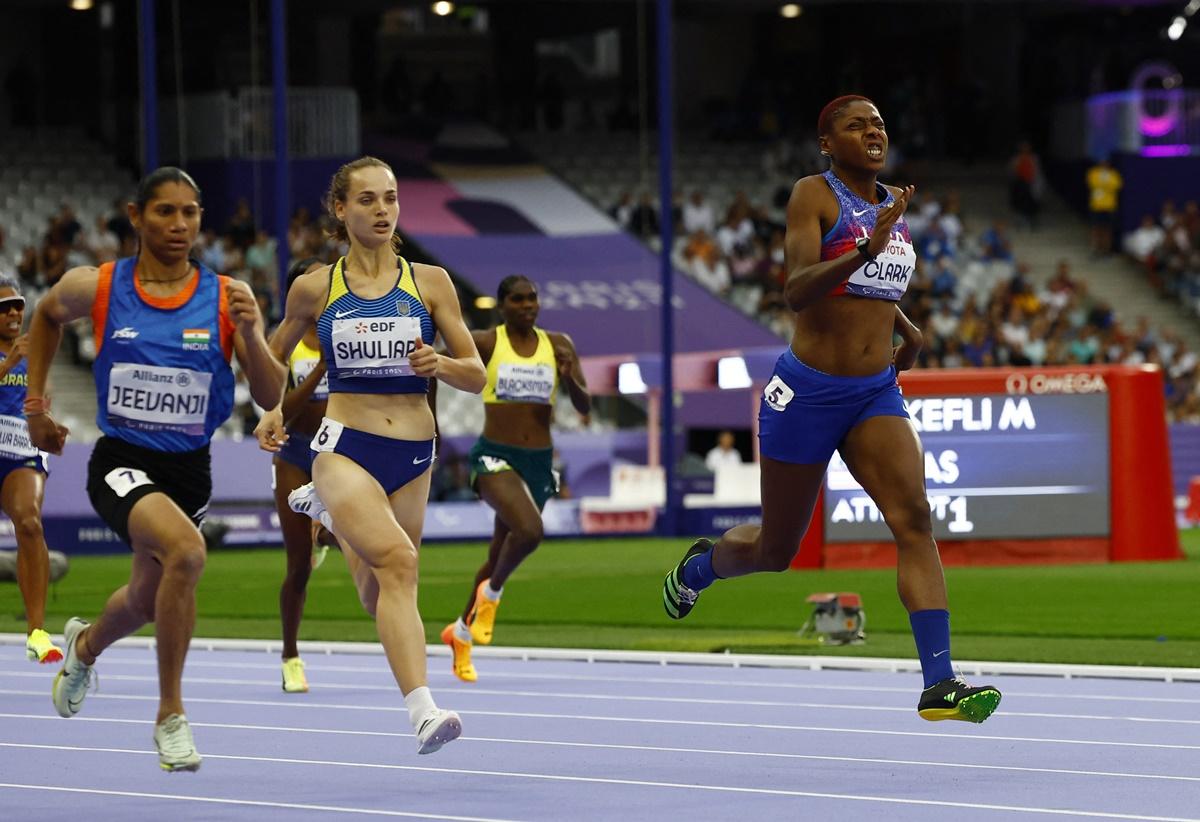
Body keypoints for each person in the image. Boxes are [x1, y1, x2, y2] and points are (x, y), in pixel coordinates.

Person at [660, 96, 1002, 724]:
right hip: (808, 391)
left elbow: (870, 286)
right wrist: (868, 247)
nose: (873, 131)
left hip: (874, 391)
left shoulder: (889, 205)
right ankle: (701, 567)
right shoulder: (812, 195)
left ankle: (940, 683)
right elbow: (797, 289)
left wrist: (908, 327)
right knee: (775, 551)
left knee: (914, 518)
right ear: (826, 143)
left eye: (878, 123)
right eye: (856, 125)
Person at [25, 167, 284, 771]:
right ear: (137, 218)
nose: (180, 224)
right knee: (188, 554)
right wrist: (36, 407)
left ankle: (84, 647)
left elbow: (272, 394)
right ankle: (171, 715)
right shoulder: (100, 285)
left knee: (146, 598)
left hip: (190, 469)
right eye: (165, 212)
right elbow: (43, 315)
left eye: (191, 212)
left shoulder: (226, 296)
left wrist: (251, 331)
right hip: (120, 461)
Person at [254, 156, 485, 754]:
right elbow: (270, 361)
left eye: (390, 199)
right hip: (343, 446)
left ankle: (325, 514)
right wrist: (272, 409)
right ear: (340, 208)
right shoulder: (315, 286)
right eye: (368, 200)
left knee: (375, 592)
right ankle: (424, 711)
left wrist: (442, 364)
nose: (382, 210)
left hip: (413, 453)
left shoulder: (430, 282)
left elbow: (478, 374)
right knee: (400, 565)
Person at [440, 275, 590, 683]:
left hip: (538, 462)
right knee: (529, 531)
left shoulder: (558, 344)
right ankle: (491, 596)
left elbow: (584, 404)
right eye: (518, 300)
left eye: (533, 298)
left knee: (497, 554)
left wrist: (569, 375)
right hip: (494, 454)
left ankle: (462, 634)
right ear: (502, 306)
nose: (528, 305)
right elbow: (439, 359)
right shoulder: (488, 342)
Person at [270, 256, 337, 694]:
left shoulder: (346, 327)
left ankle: (324, 533)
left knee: (355, 541)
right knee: (298, 567)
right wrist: (320, 368)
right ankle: (291, 656)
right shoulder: (288, 343)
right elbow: (282, 411)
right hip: (295, 451)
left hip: (341, 452)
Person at [0, 277, 62, 665]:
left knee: (29, 523)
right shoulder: (17, 355)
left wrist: (50, 426)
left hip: (19, 447)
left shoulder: (36, 349)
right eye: (4, 307)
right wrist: (9, 364)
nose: (12, 313)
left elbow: (42, 403)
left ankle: (37, 631)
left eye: (18, 305)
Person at [1086, 157, 1123, 256]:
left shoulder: (1113, 174)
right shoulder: (1093, 172)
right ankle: (1095, 249)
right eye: (1102, 162)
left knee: (1108, 229)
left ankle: (1106, 250)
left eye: (1106, 162)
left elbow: (1117, 186)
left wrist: (1103, 183)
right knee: (1096, 228)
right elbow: (1092, 184)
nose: (1104, 164)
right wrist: (1106, 184)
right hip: (1096, 206)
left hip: (1109, 206)